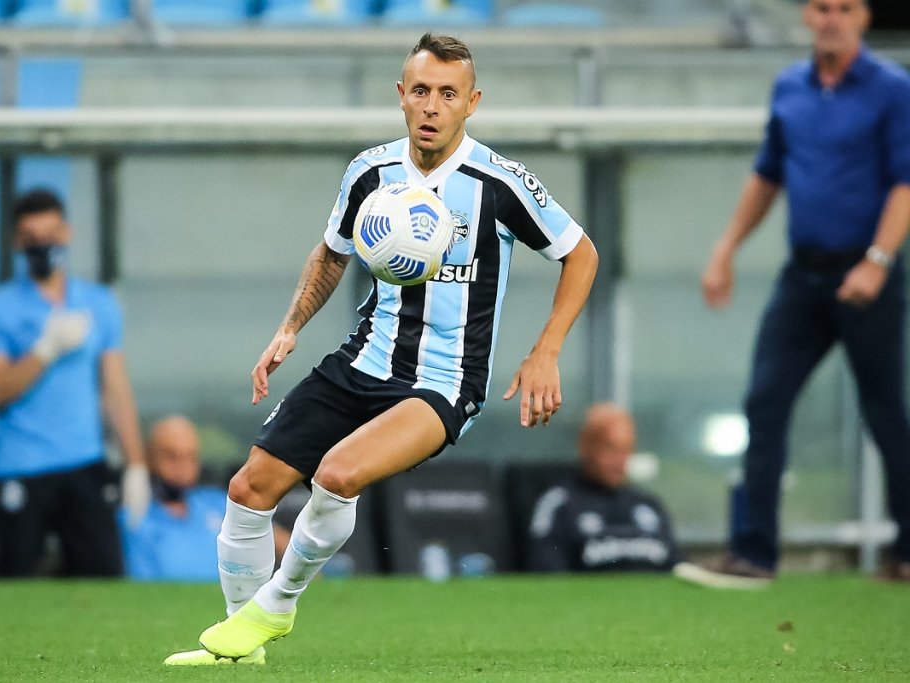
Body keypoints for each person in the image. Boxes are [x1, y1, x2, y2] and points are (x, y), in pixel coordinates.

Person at [163, 33, 598, 667]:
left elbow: (580, 253)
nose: (432, 106)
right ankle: (240, 648)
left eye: (447, 94)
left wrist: (546, 350)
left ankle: (276, 606)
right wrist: (290, 327)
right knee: (249, 488)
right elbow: (332, 252)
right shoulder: (370, 171)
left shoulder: (498, 183)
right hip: (363, 360)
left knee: (337, 474)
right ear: (401, 95)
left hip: (445, 382)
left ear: (472, 103)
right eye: (420, 90)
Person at [676, 0, 910, 589]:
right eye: (822, 7)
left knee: (886, 415)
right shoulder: (789, 86)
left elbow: (906, 182)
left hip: (867, 277)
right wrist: (725, 247)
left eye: (844, 8)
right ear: (806, 15)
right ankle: (753, 555)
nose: (832, 18)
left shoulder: (891, 89)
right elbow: (768, 173)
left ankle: (908, 553)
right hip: (803, 276)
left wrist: (877, 261)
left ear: (864, 17)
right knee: (764, 401)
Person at [0, 188, 150, 578]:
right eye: (31, 237)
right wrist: (44, 350)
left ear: (66, 233)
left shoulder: (97, 303)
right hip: (20, 464)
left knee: (103, 578)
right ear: (17, 242)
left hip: (84, 461)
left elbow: (115, 387)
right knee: (14, 582)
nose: (43, 245)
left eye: (50, 234)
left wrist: (136, 464)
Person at [528, 403, 681, 573]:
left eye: (626, 449)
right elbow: (548, 574)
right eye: (610, 448)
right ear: (586, 446)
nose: (619, 460)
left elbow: (680, 569)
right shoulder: (559, 506)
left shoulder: (649, 505)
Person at [120, 416, 229, 581]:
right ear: (149, 458)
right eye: (171, 456)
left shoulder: (218, 503)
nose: (182, 467)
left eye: (190, 457)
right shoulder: (136, 518)